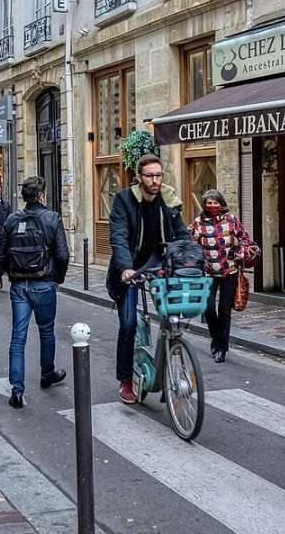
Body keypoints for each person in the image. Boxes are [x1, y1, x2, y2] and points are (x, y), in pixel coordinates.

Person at [106, 154, 190, 404]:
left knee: (172, 317)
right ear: (139, 178)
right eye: (149, 176)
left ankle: (169, 363)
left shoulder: (168, 199)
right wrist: (125, 268)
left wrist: (192, 259)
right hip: (132, 267)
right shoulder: (124, 200)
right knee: (129, 323)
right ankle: (125, 380)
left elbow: (181, 233)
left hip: (160, 264)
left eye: (158, 175)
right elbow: (119, 236)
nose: (154, 181)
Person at [0, 176, 69, 409]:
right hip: (44, 282)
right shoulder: (52, 218)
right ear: (42, 195)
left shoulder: (12, 220)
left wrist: (5, 273)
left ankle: (17, 390)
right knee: (46, 331)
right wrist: (58, 279)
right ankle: (47, 374)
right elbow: (63, 255)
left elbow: (1, 252)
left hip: (19, 285)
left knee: (18, 337)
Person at [189, 189, 259, 363]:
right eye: (209, 203)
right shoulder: (199, 222)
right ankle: (216, 338)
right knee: (209, 308)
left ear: (221, 204)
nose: (212, 206)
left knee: (224, 310)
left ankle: (222, 347)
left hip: (229, 271)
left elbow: (245, 239)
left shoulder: (231, 220)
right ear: (204, 204)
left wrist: (241, 251)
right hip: (208, 272)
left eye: (215, 202)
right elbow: (190, 243)